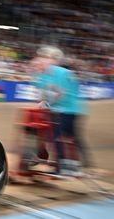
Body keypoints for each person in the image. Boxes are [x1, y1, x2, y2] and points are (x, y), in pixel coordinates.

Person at [32, 45, 90, 175]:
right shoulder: (41, 76)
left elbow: (61, 94)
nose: (39, 64)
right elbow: (42, 95)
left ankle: (64, 166)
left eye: (42, 61)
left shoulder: (61, 73)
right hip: (59, 109)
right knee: (58, 137)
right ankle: (65, 164)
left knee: (62, 138)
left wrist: (47, 104)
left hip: (69, 109)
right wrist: (43, 102)